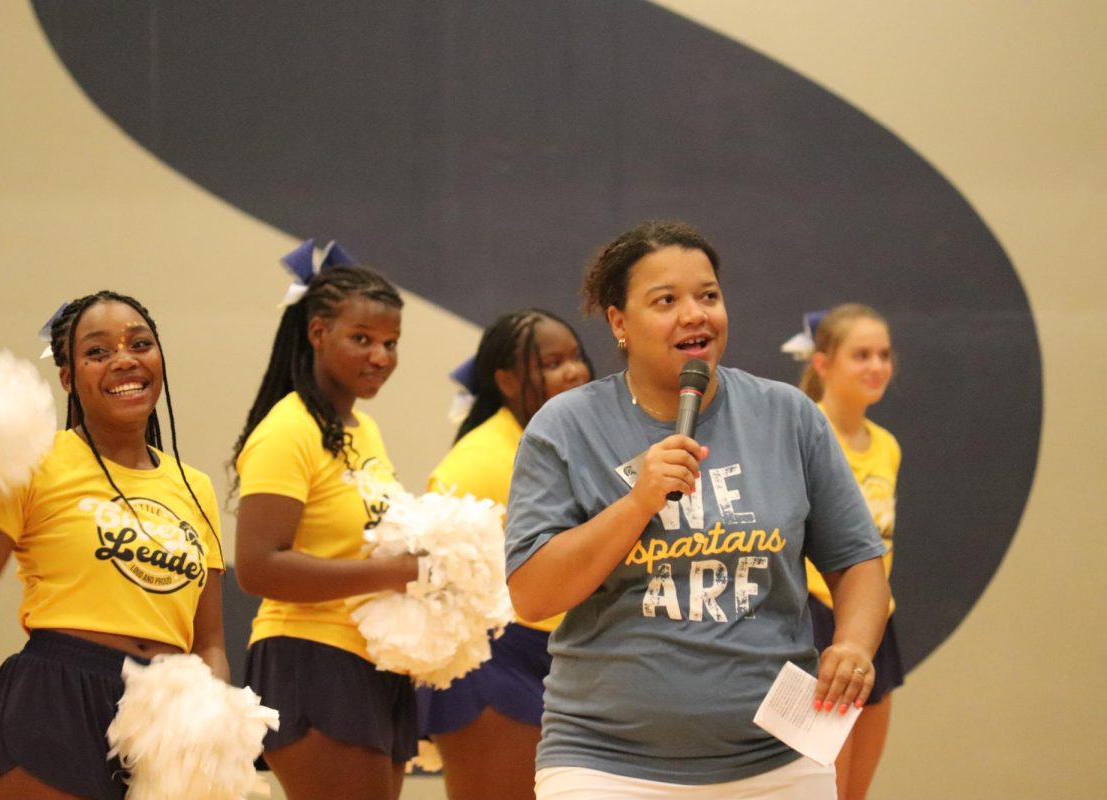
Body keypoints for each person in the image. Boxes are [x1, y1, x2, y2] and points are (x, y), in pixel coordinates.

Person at [504, 220, 892, 799]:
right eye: (666, 300)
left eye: (708, 296)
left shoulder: (788, 415)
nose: (696, 314)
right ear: (619, 323)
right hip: (606, 763)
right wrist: (637, 503)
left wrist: (855, 645)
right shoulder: (565, 427)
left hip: (779, 761)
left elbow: (857, 561)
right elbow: (533, 594)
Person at [0, 290, 228, 800]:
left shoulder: (195, 486)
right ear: (68, 378)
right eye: (97, 352)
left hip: (165, 715)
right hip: (57, 698)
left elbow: (209, 638)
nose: (124, 359)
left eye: (140, 343)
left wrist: (207, 711)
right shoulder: (34, 461)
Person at [231, 260, 419, 800]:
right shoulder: (288, 429)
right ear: (318, 332)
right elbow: (260, 566)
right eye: (362, 338)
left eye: (391, 342)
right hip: (310, 658)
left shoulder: (364, 429)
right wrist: (393, 572)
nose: (380, 357)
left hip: (374, 660)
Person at [418, 309, 592, 800]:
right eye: (553, 362)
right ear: (507, 380)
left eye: (575, 356)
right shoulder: (475, 463)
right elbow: (439, 586)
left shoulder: (562, 443)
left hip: (562, 662)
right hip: (492, 668)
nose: (575, 371)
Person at [798, 304, 903, 800]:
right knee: (825, 783)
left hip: (877, 621)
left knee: (857, 787)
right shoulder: (806, 435)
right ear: (823, 364)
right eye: (861, 355)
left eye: (883, 354)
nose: (876, 366)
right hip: (821, 621)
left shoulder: (886, 444)